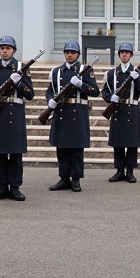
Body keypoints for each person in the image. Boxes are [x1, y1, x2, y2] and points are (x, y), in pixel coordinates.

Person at [0, 35, 35, 202]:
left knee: (16, 152)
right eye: (2, 48)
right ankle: (1, 186)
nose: (5, 51)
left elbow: (30, 94)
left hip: (15, 111)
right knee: (0, 153)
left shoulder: (21, 68)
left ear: (14, 51)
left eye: (8, 48)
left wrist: (19, 83)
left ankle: (15, 187)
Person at [45, 40, 99, 193]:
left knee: (76, 148)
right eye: (67, 52)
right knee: (61, 147)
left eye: (72, 52)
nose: (69, 55)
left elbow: (95, 91)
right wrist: (50, 100)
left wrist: (81, 84)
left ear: (78, 54)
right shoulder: (56, 71)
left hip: (77, 112)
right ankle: (63, 178)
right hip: (61, 111)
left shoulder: (85, 70)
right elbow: (50, 90)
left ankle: (75, 179)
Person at [102, 42, 140, 183]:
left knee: (131, 143)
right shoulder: (111, 73)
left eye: (127, 52)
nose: (124, 54)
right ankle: (119, 171)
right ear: (119, 55)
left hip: (132, 110)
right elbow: (105, 92)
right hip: (117, 110)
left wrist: (137, 79)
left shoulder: (139, 72)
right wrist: (111, 97)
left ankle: (130, 171)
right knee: (118, 142)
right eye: (122, 52)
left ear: (131, 55)